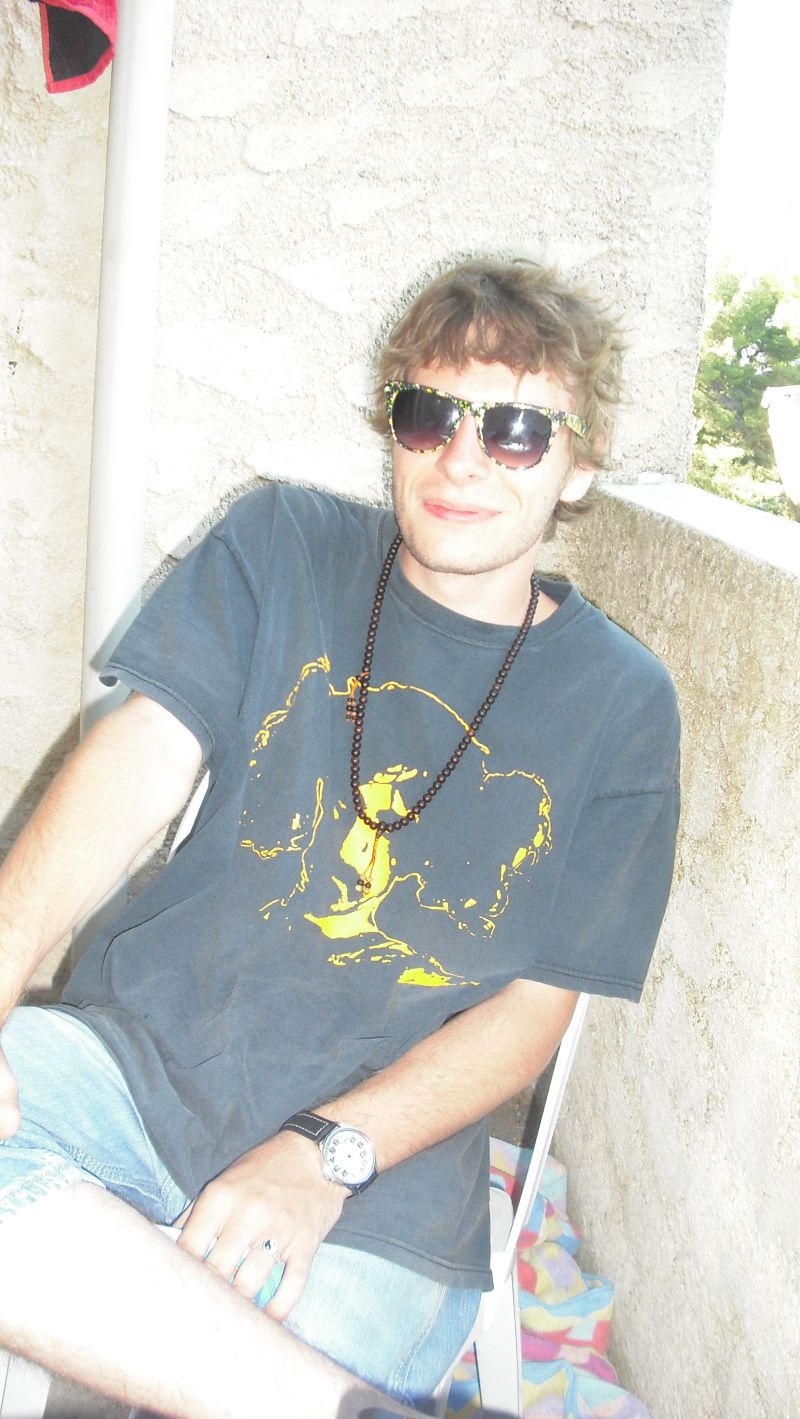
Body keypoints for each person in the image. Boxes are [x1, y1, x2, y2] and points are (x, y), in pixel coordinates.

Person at [0, 258, 680, 1418]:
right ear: (392, 429)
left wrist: (324, 1156)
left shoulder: (620, 702)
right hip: (134, 1076)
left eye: (516, 429)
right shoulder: (282, 545)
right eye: (429, 415)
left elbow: (533, 1013)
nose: (461, 459)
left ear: (579, 466)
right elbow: (140, 755)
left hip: (381, 1198)